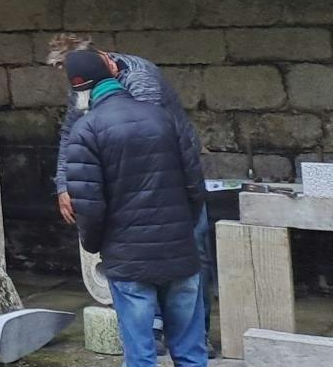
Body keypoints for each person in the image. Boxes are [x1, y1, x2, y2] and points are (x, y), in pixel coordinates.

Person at [62, 49, 213, 367]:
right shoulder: (162, 116)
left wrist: (97, 245)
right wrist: (181, 229)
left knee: (141, 358)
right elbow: (196, 187)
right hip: (179, 255)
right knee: (191, 355)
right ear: (112, 72)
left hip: (129, 260)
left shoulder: (87, 130)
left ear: (79, 89)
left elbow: (90, 206)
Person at [46, 33, 212, 310]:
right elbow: (71, 130)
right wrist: (64, 184)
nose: (68, 76)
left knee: (189, 251)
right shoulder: (84, 81)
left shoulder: (140, 77)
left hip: (168, 175)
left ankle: (196, 332)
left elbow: (146, 140)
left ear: (98, 59)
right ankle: (156, 324)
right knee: (139, 255)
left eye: (68, 67)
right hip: (126, 178)